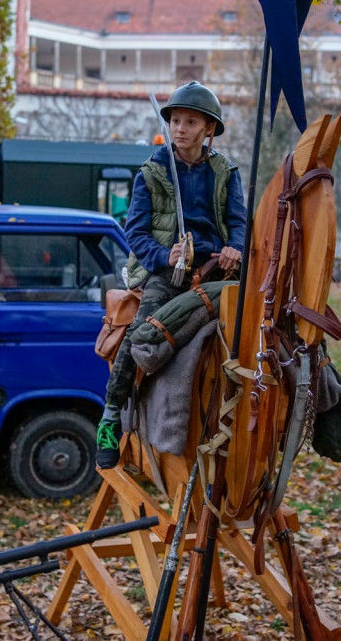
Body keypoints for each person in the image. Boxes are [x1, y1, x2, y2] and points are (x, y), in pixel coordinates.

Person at [95, 80, 247, 469]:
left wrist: (235, 248)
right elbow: (135, 232)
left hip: (217, 270)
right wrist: (166, 255)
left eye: (190, 122)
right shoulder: (150, 172)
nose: (180, 128)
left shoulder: (227, 172)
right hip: (167, 271)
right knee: (141, 329)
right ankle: (111, 417)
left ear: (208, 129)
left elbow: (240, 224)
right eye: (176, 120)